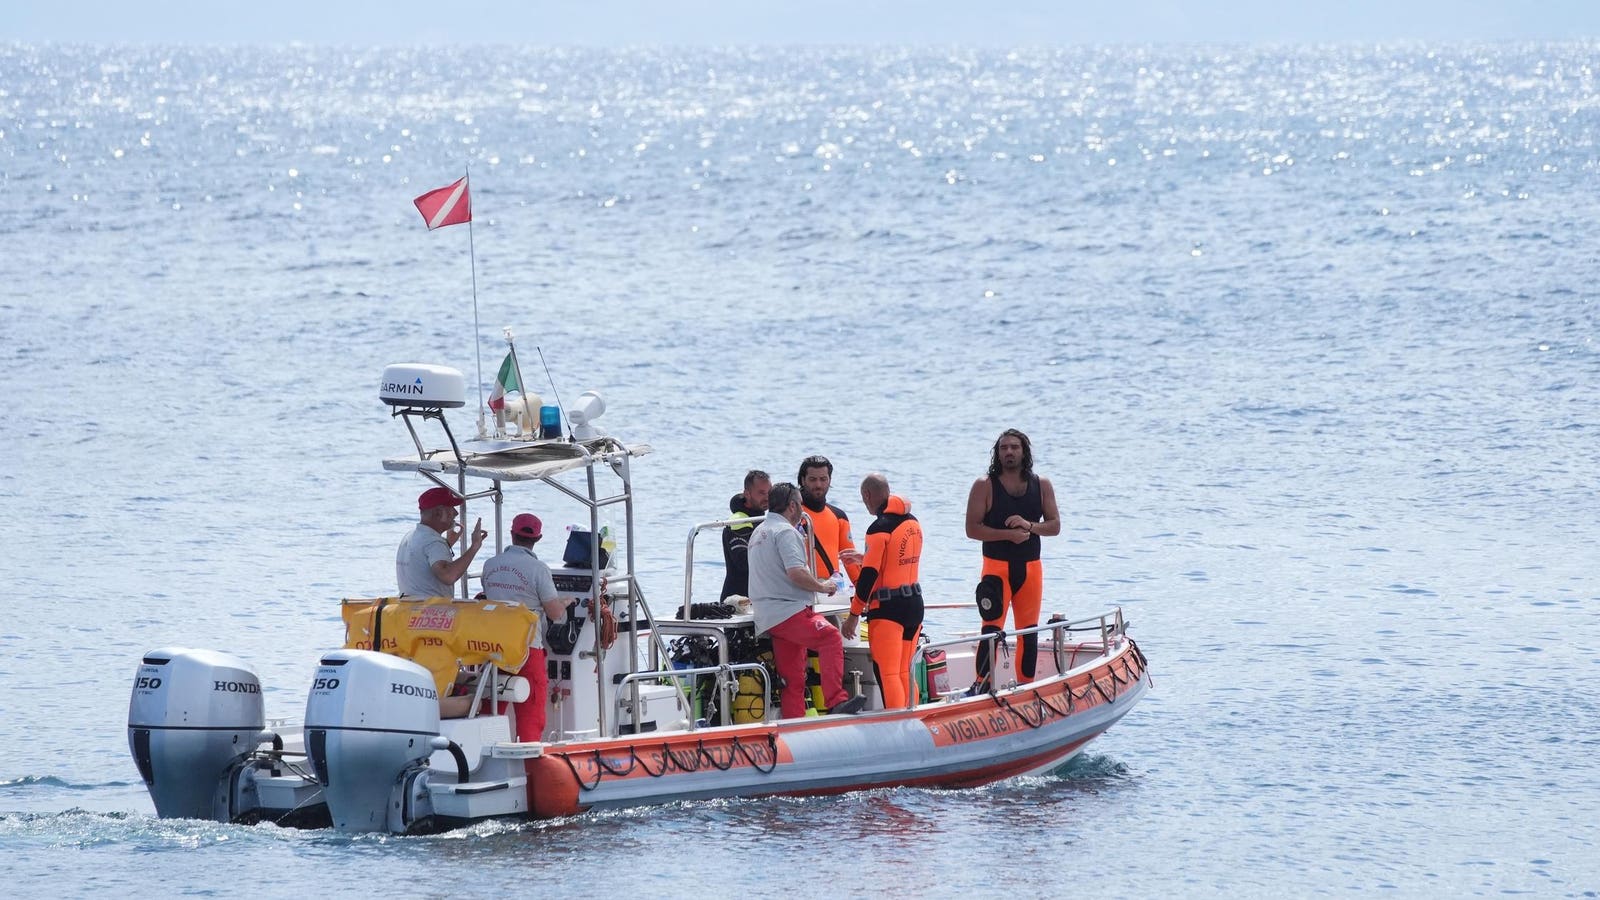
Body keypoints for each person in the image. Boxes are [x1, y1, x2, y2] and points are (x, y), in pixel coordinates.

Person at [748, 481, 867, 718]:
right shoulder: (785, 532)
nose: (803, 510)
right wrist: (822, 586)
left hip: (768, 615)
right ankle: (836, 701)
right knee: (831, 636)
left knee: (793, 679)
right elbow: (796, 573)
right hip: (789, 612)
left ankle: (795, 724)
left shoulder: (758, 532)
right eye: (801, 505)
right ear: (792, 506)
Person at [964, 429, 1060, 690]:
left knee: (1029, 631)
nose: (1009, 452)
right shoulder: (985, 485)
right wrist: (1009, 535)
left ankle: (1026, 686)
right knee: (991, 630)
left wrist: (1028, 526)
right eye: (1004, 447)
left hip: (1031, 569)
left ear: (1024, 451)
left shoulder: (1042, 485)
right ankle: (981, 684)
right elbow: (972, 529)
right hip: (996, 570)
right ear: (997, 452)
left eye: (1014, 447)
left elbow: (1054, 526)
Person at [480, 513, 566, 742]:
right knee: (531, 712)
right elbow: (555, 613)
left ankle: (483, 756)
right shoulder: (538, 569)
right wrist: (567, 602)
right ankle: (530, 767)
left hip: (493, 648)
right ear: (538, 538)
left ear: (512, 534)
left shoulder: (490, 565)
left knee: (490, 708)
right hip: (527, 649)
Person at [842, 474, 924, 709]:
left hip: (888, 610)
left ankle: (897, 724)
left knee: (888, 674)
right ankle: (913, 717)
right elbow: (899, 562)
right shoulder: (912, 522)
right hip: (914, 604)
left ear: (867, 495)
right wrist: (865, 556)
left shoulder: (878, 528)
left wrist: (853, 615)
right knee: (904, 670)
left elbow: (868, 577)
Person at [397, 487, 487, 598]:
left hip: (408, 608)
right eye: (451, 507)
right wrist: (474, 546)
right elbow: (448, 576)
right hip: (428, 611)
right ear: (438, 512)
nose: (456, 513)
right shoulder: (434, 542)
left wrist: (448, 544)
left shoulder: (410, 536)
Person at [796, 455, 862, 586]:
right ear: (803, 480)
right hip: (799, 592)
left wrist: (864, 593)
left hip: (831, 594)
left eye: (823, 479)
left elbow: (851, 561)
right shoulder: (791, 515)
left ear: (830, 481)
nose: (818, 485)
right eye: (813, 479)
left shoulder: (839, 516)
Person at [720, 469, 772, 600]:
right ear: (747, 494)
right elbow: (743, 562)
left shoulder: (762, 519)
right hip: (737, 599)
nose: (767, 497)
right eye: (761, 493)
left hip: (758, 596)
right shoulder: (738, 520)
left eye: (769, 493)